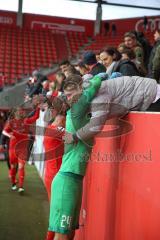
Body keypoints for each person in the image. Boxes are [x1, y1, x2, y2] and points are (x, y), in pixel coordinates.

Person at [48, 73, 104, 240]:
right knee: (62, 235)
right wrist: (101, 76)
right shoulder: (76, 111)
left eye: (71, 93)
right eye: (67, 94)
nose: (69, 97)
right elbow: (94, 85)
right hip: (67, 181)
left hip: (74, 180)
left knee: (70, 233)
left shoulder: (79, 113)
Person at [64, 76, 159, 144]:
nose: (68, 99)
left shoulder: (98, 98)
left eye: (70, 95)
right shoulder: (88, 88)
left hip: (153, 95)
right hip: (147, 92)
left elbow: (95, 127)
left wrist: (73, 137)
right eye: (66, 96)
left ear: (80, 89)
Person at [2, 107, 40, 193]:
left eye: (21, 111)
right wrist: (9, 136)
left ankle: (21, 187)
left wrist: (38, 108)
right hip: (13, 149)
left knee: (21, 167)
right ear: (15, 113)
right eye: (19, 111)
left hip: (22, 149)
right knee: (13, 167)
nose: (20, 112)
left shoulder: (26, 121)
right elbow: (4, 131)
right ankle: (13, 184)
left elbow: (36, 117)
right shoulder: (11, 122)